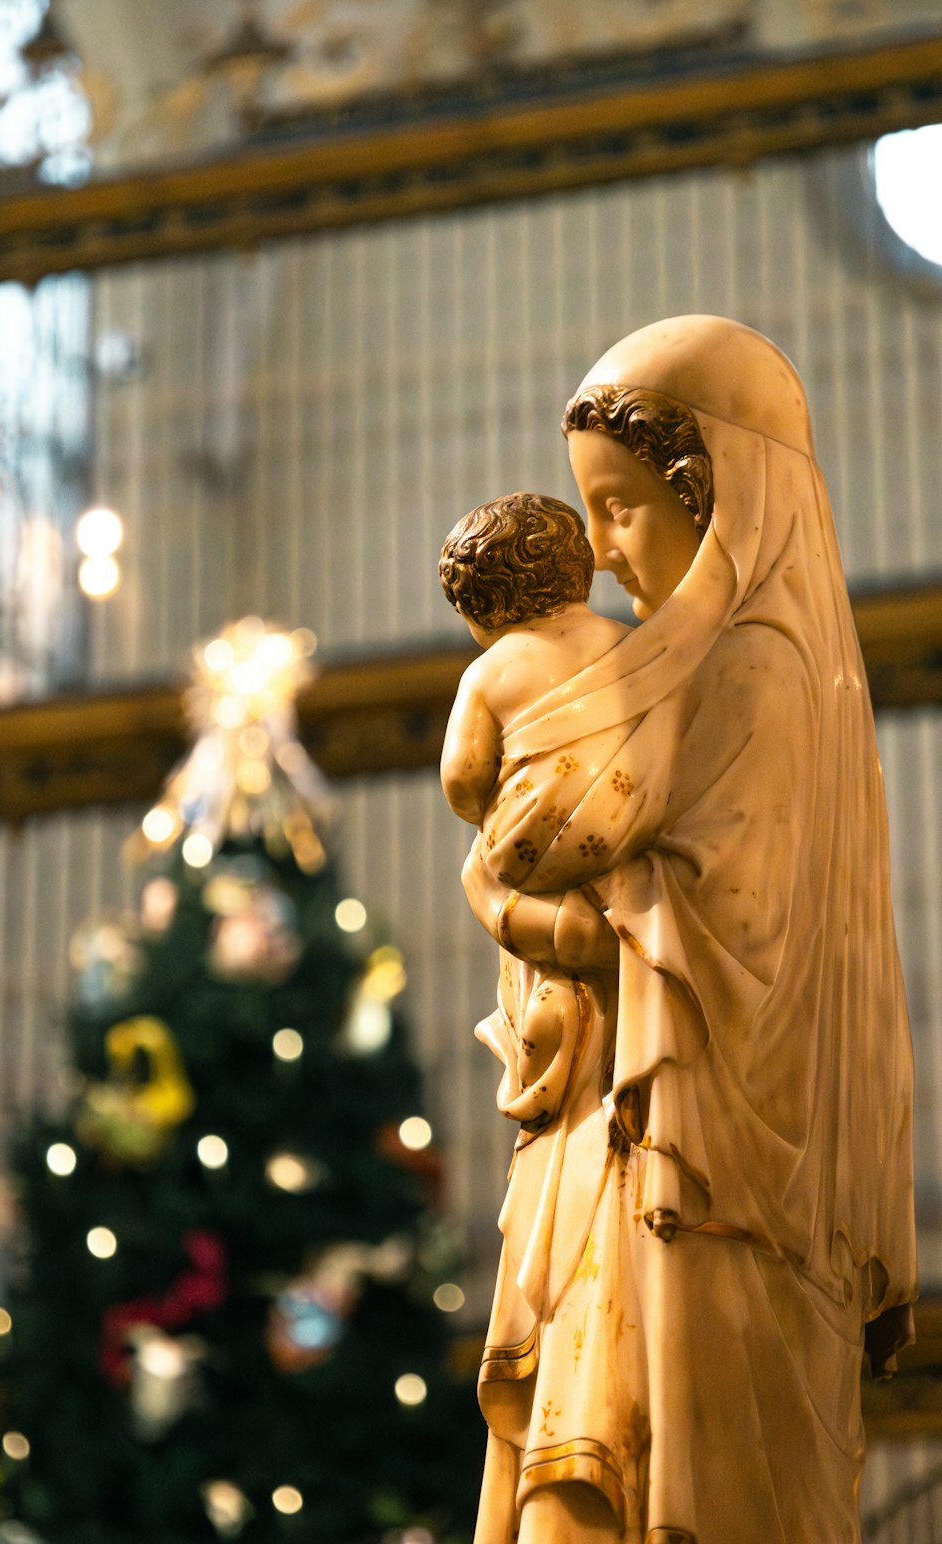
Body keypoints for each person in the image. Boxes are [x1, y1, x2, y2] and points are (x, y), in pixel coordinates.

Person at [450, 315, 917, 1544]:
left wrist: (504, 899)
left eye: (619, 509)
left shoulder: (751, 669)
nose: (599, 556)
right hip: (634, 1133)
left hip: (700, 1172)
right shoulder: (687, 665)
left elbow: (689, 926)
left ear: (711, 494)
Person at [439, 491, 629, 1125]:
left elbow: (463, 781)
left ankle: (566, 934)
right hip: (629, 835)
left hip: (530, 853)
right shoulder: (631, 646)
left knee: (478, 874)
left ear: (482, 604)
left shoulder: (491, 671)